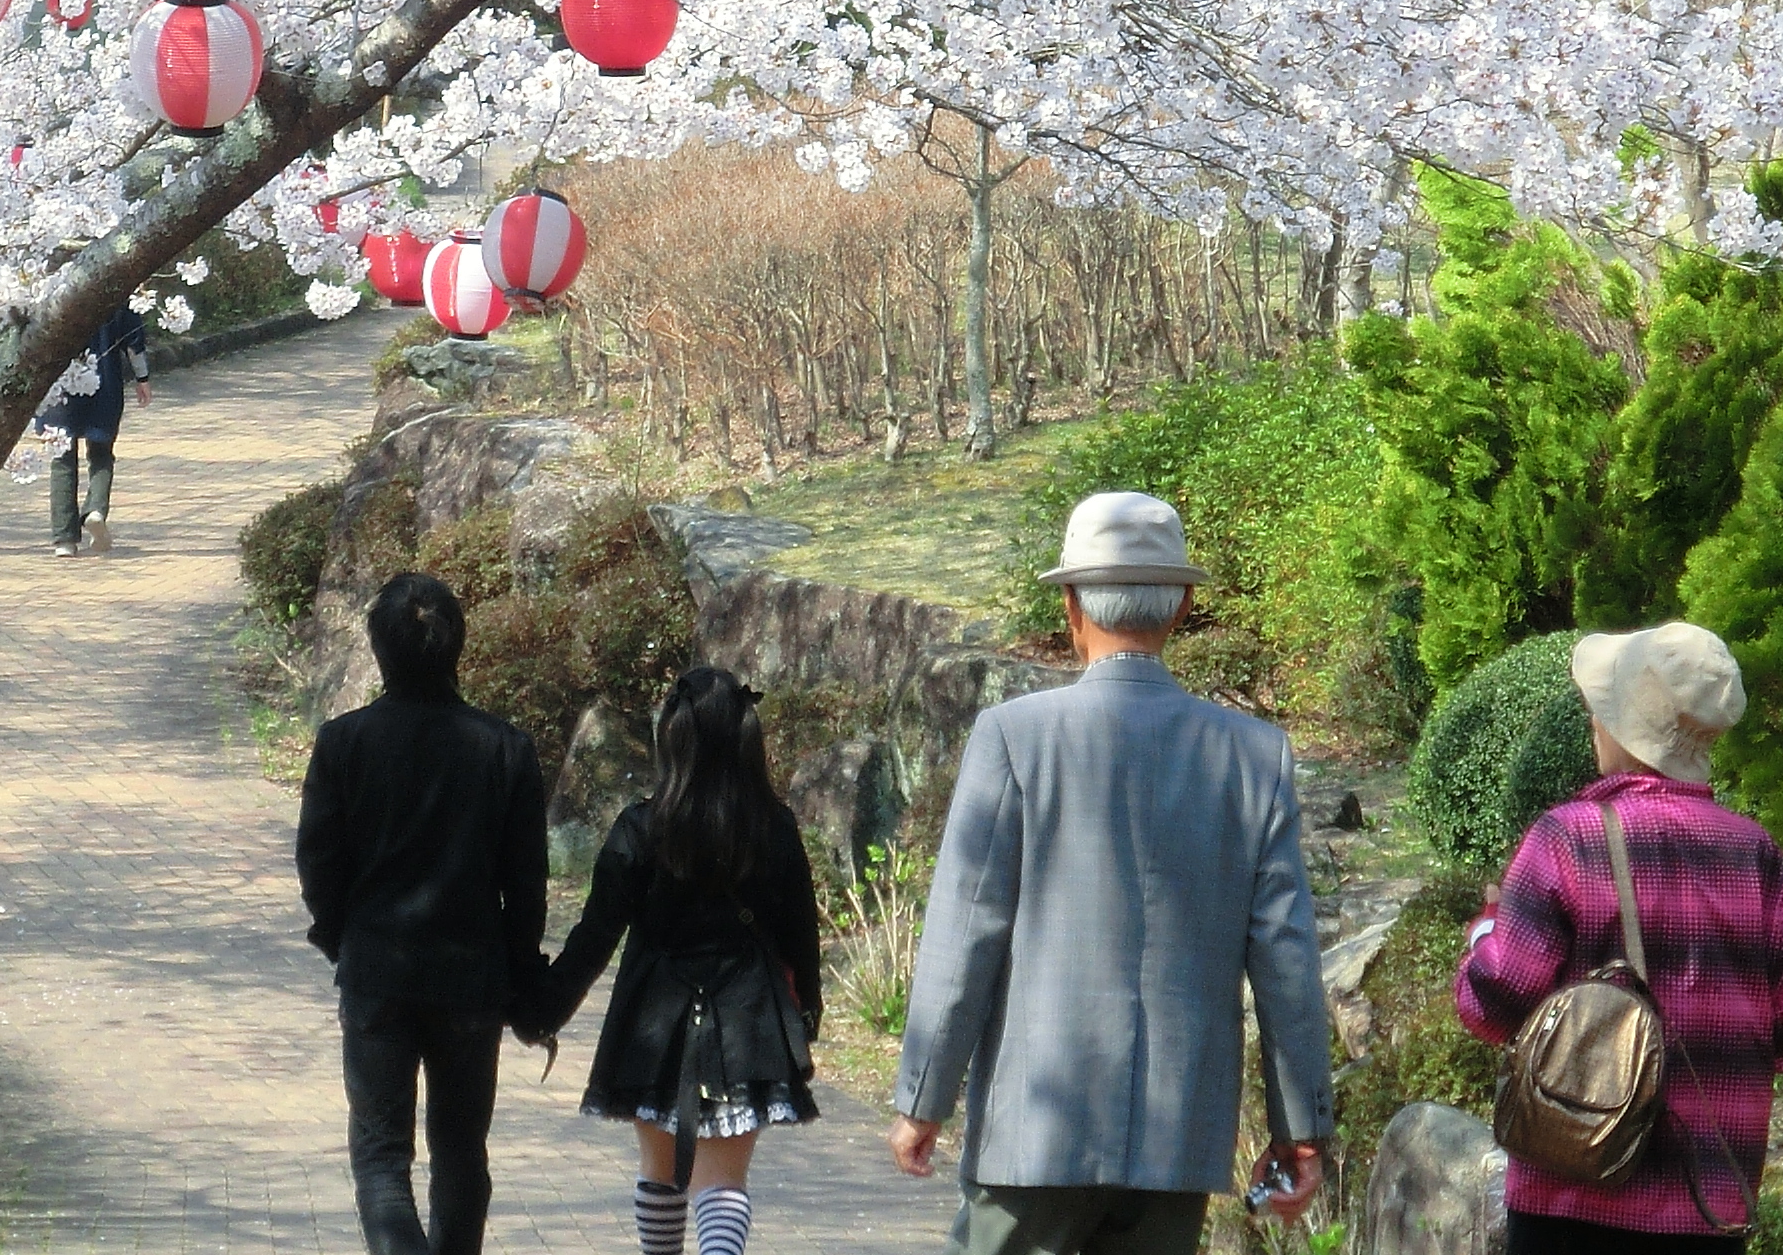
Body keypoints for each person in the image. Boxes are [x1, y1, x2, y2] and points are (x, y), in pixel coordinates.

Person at [888, 491, 1334, 1255]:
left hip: (1035, 1124)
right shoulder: (1255, 755)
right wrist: (1300, 1127)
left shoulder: (1013, 738)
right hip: (1178, 1128)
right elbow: (1286, 957)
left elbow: (968, 932)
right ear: (1184, 605)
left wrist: (924, 1100)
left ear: (1071, 606)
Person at [1453, 622, 1783, 1253]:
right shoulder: (1755, 856)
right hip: (1708, 1203)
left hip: (1572, 1200)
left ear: (1620, 728)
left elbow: (1492, 1005)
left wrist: (1485, 931)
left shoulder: (1569, 841)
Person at [521, 666, 823, 1255]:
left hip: (650, 1023)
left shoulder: (641, 826)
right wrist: (806, 1017)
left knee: (659, 1177)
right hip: (749, 1020)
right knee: (723, 1185)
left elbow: (595, 936)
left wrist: (543, 1011)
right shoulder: (774, 826)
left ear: (672, 736)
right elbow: (800, 937)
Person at [295, 572, 551, 1255]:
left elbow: (318, 864)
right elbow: (527, 887)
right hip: (472, 977)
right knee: (462, 1152)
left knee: (381, 1159)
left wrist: (339, 937)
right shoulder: (506, 748)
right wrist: (523, 975)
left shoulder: (343, 742)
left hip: (377, 967)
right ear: (456, 645)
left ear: (378, 648)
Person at [42, 300, 150, 554]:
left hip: (59, 389)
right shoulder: (117, 292)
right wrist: (142, 379)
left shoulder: (51, 291)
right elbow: (134, 342)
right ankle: (96, 510)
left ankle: (65, 539)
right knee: (101, 454)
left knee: (61, 459)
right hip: (105, 385)